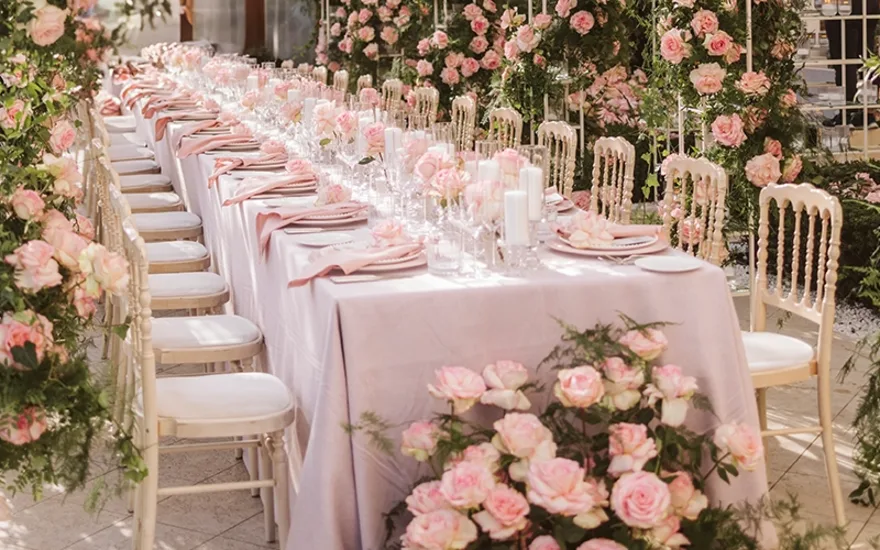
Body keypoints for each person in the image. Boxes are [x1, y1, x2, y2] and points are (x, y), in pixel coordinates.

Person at [825, 0, 880, 128]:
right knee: (866, 59)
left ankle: (848, 113)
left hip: (844, 6)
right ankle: (867, 112)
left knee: (844, 60)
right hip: (869, 6)